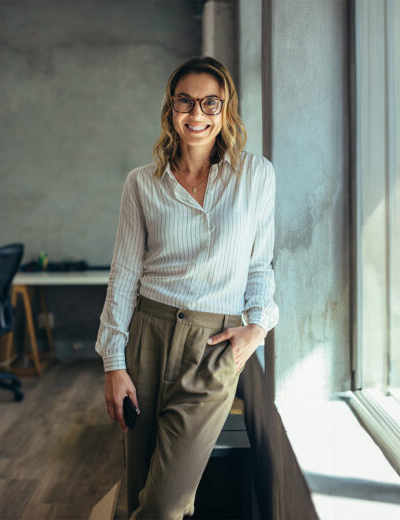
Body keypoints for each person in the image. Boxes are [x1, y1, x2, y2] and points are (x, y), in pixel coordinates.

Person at [95, 56, 279, 519]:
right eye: (185, 101)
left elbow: (259, 266)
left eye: (209, 102)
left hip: (212, 347)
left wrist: (258, 326)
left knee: (163, 504)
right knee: (140, 488)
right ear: (170, 108)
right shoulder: (142, 183)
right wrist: (114, 364)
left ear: (226, 108)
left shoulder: (255, 176)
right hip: (147, 338)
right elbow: (124, 275)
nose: (196, 113)